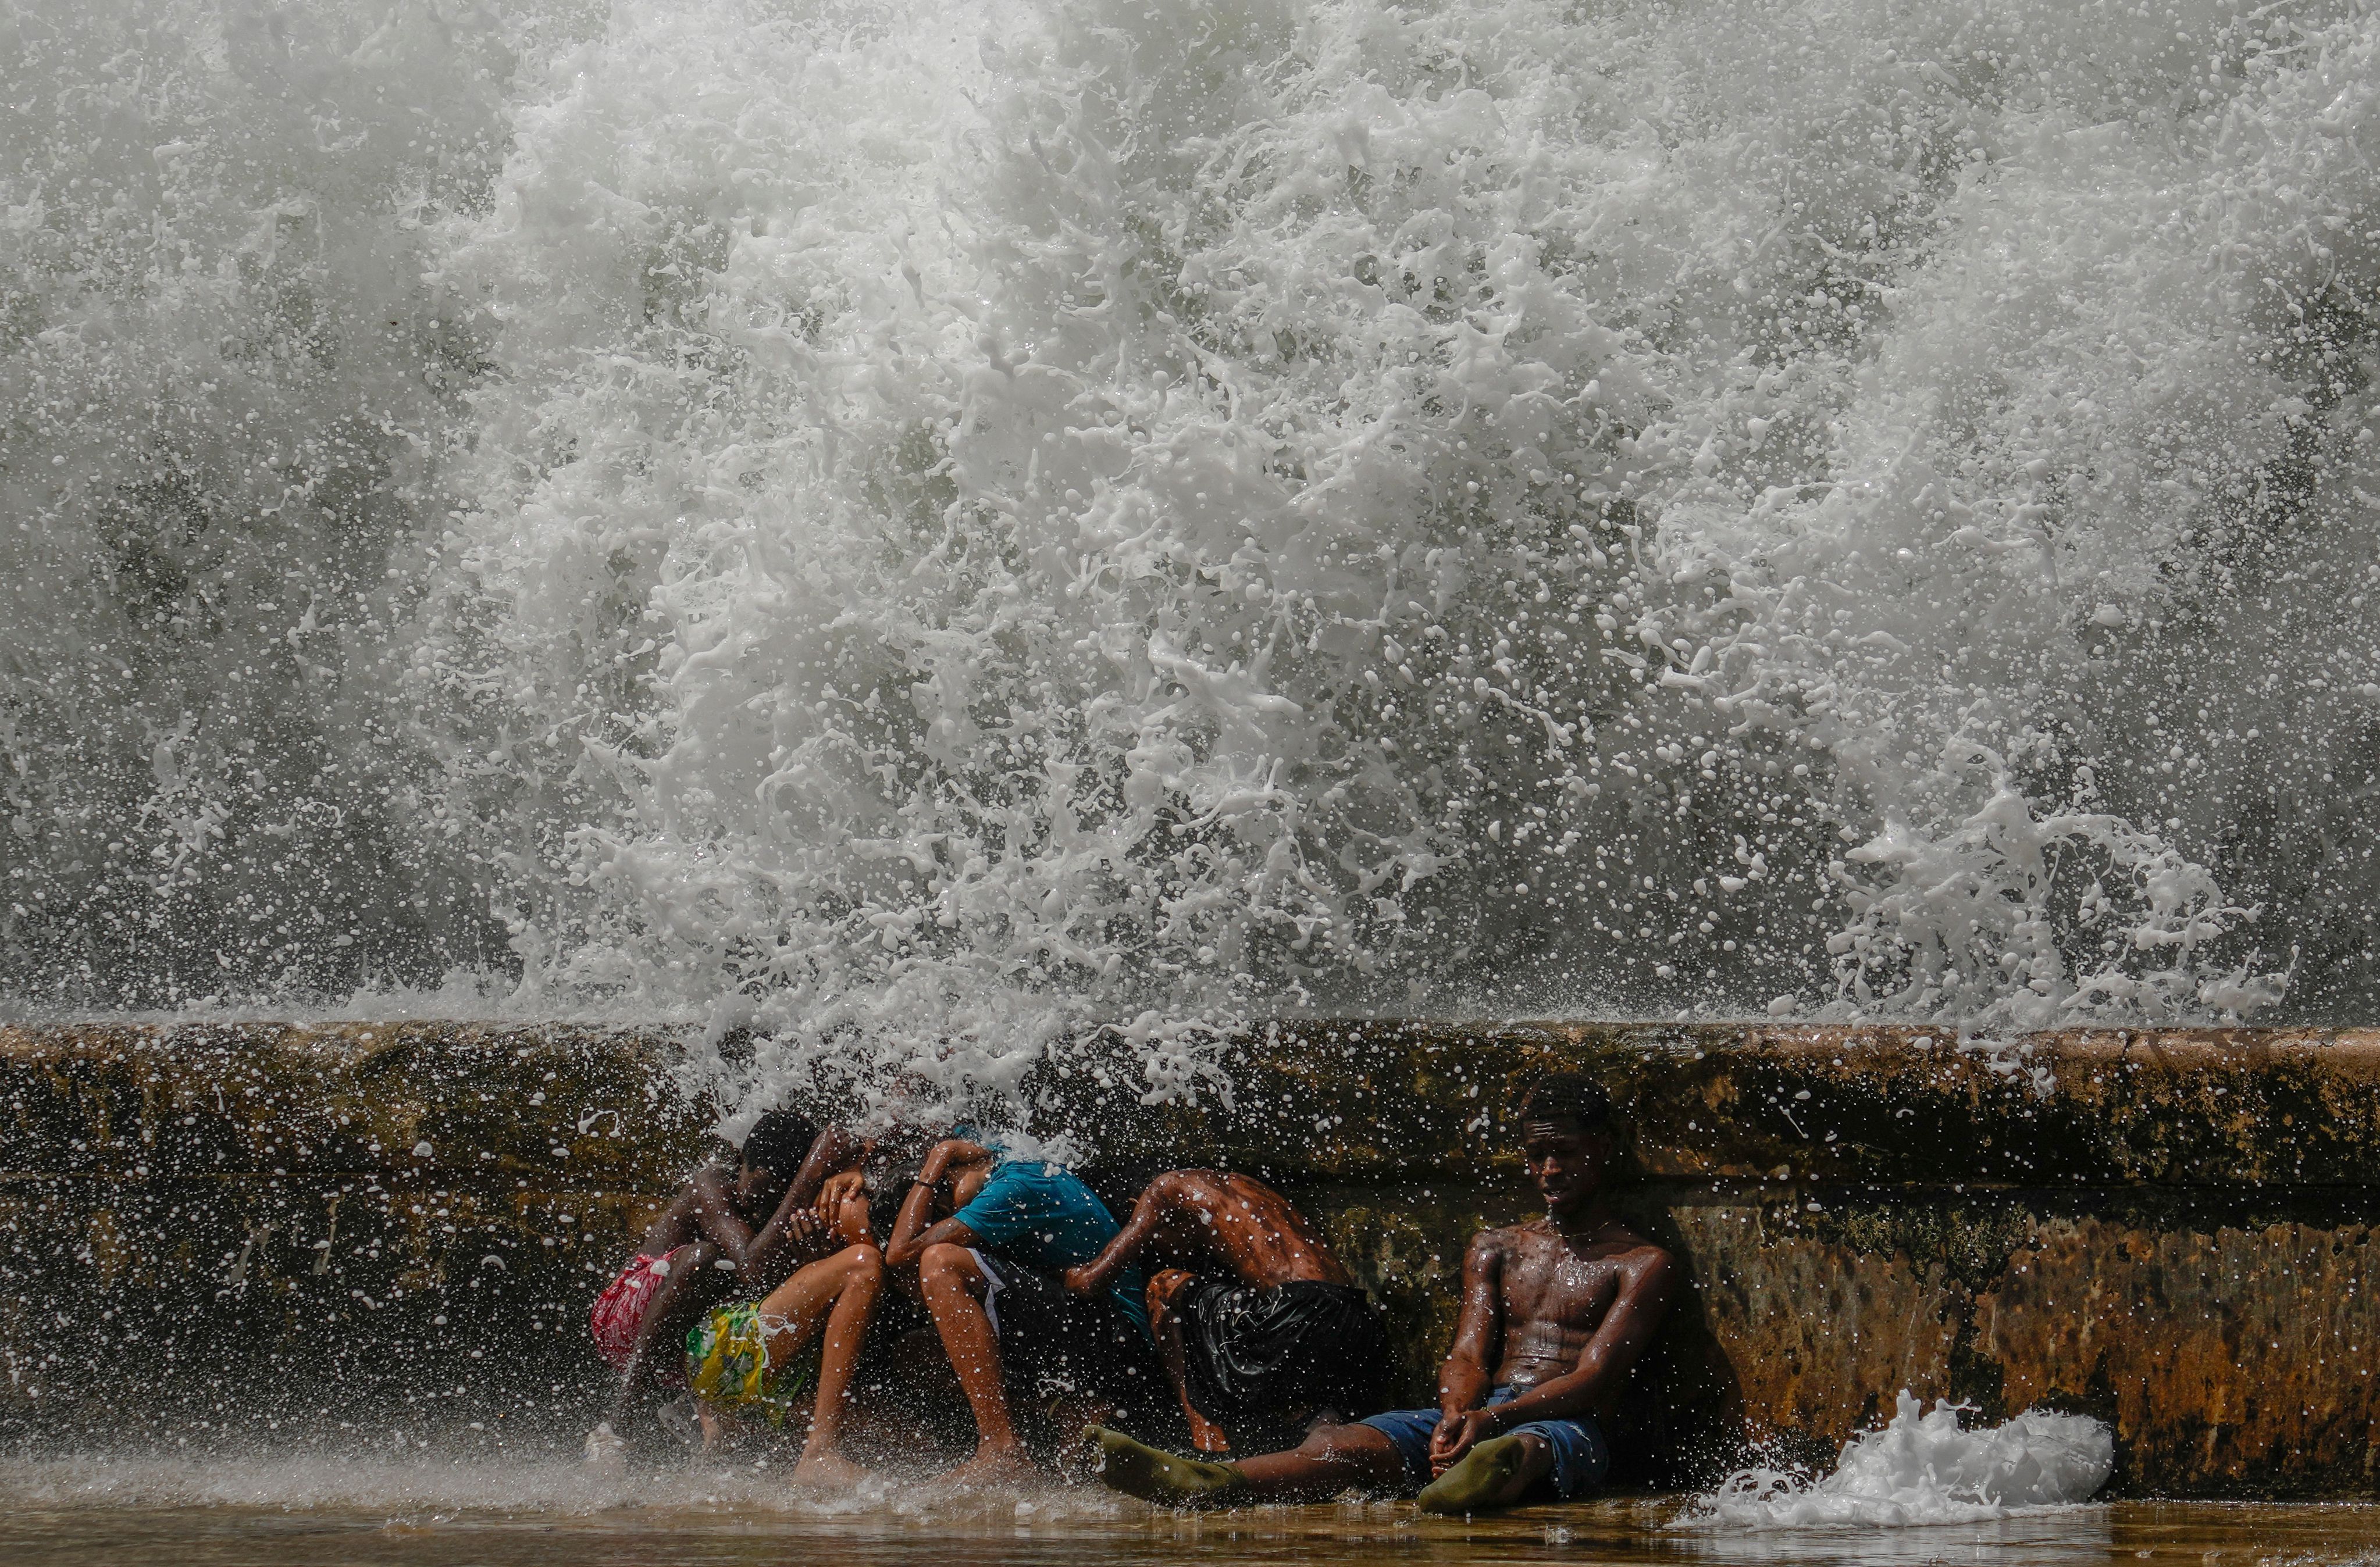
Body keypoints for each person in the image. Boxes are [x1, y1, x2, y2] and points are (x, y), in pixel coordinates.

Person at [1088, 1073, 1675, 1513]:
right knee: (1339, 1441)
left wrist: (1492, 1421)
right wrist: (1455, 1413)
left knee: (1528, 1450)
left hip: (1565, 1425)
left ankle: (1479, 1477)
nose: (1548, 1168)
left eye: (1564, 1152)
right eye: (1535, 1155)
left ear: (1602, 1148)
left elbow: (1595, 1378)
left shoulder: (1641, 1262)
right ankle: (1215, 1481)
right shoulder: (1497, 1246)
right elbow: (1468, 1353)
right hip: (1481, 1412)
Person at [883, 1137, 1170, 1484]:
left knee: (940, 1262)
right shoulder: (992, 1155)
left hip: (1120, 1343)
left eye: (946, 1210)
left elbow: (901, 1256)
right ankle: (1066, 1410)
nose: (953, 1219)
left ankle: (1001, 1448)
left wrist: (934, 1163)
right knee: (917, 1353)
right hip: (1081, 1330)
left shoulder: (1017, 1185)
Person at [583, 1110, 856, 1459]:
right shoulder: (712, 1184)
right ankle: (619, 1422)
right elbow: (751, 1267)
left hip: (699, 1336)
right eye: (757, 1191)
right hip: (627, 1320)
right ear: (738, 1160)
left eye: (777, 1197)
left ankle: (701, 1411)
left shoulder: (787, 1199)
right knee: (706, 1257)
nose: (761, 1207)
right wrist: (808, 1178)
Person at [1062, 1170, 1388, 1455]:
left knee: (1162, 1285)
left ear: (1138, 1206)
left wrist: (1056, 1271)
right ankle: (1317, 1427)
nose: (1162, 1251)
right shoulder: (1239, 1188)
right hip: (1359, 1324)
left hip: (1296, 1316)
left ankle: (1207, 1442)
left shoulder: (1162, 1191)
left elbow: (1091, 1282)